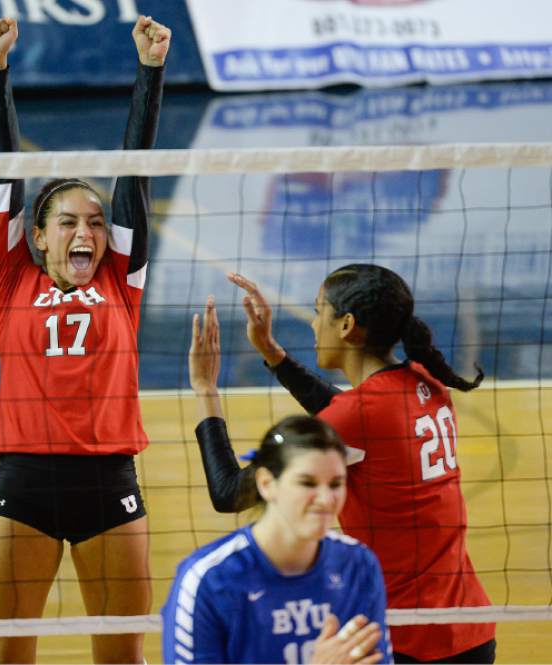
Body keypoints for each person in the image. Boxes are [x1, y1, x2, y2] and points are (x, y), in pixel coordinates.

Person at [0, 14, 169, 664]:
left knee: (122, 657)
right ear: (38, 234)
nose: (84, 230)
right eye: (67, 222)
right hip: (22, 479)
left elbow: (135, 175)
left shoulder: (123, 277)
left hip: (108, 478)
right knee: (7, 656)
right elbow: (5, 172)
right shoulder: (10, 273)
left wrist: (150, 71)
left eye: (94, 220)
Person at [197, 266, 496, 663]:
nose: (313, 323)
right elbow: (346, 412)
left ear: (347, 325)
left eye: (320, 310)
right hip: (471, 628)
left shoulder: (358, 415)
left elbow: (230, 492)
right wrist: (272, 352)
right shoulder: (426, 383)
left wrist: (205, 389)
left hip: (407, 641)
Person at [161, 404, 391, 664]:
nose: (326, 499)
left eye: (336, 484)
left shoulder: (358, 565)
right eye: (307, 483)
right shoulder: (209, 580)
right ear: (266, 484)